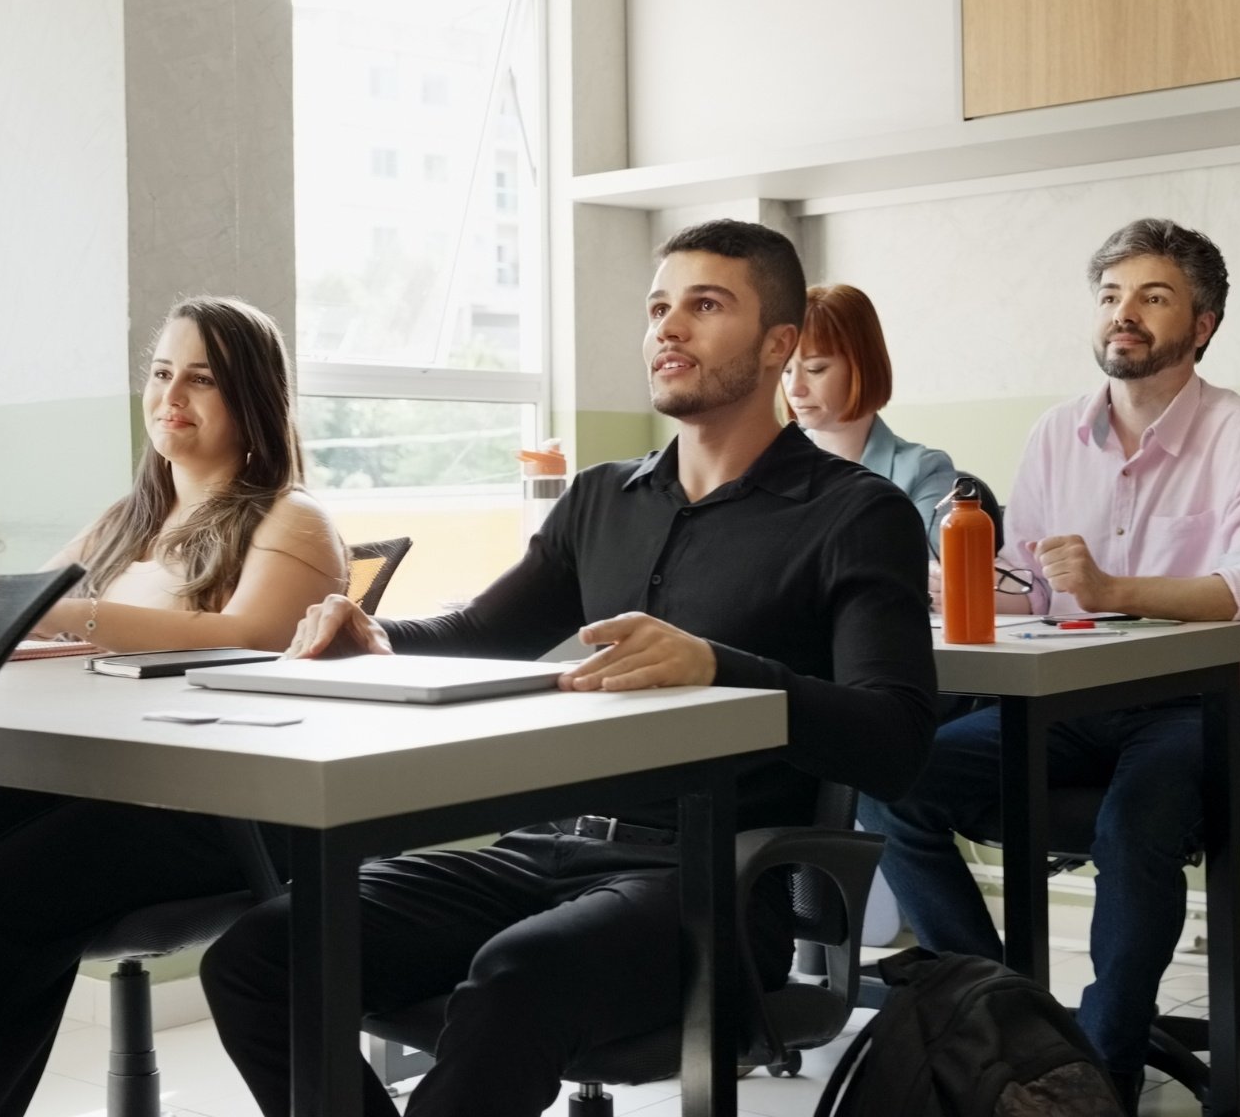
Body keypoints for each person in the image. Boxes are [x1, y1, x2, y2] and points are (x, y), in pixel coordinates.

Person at [200, 218, 939, 1117]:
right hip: (542, 848)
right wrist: (377, 635)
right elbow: (481, 629)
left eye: (706, 306)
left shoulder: (859, 515)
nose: (669, 328)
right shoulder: (600, 498)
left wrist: (721, 666)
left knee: (516, 976)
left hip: (706, 884)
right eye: (659, 306)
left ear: (781, 343)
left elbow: (895, 739)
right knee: (260, 954)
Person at [858, 218, 1240, 1112]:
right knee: (889, 778)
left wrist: (1115, 586)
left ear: (1203, 322)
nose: (1124, 315)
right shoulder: (1058, 434)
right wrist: (965, 586)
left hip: (1210, 711)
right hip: (1074, 707)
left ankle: (1098, 1075)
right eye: (1110, 296)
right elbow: (1033, 589)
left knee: (1133, 824)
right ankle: (1003, 1017)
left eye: (1153, 296)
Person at [0, 296, 346, 1117]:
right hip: (99, 786)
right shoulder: (126, 520)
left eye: (202, 378)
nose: (170, 395)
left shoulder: (291, 518)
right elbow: (14, 617)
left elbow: (253, 635)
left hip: (220, 807)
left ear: (251, 396)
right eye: (160, 372)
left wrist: (71, 614)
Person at [784, 283, 962, 541]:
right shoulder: (767, 465)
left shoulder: (924, 471)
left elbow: (923, 573)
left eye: (816, 369)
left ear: (862, 366)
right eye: (786, 371)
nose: (794, 388)